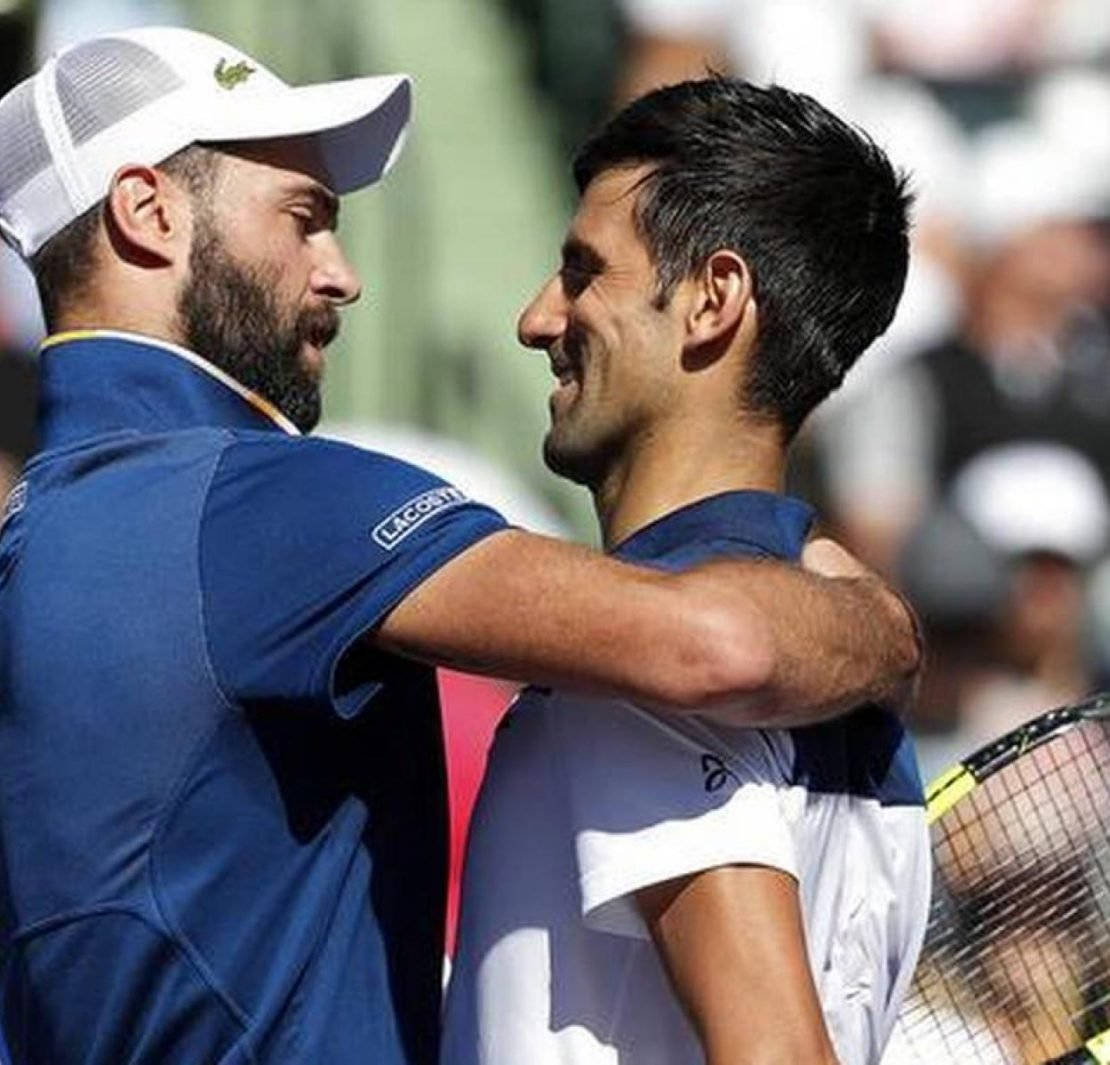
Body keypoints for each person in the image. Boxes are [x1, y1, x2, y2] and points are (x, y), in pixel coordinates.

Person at [0, 29, 920, 1065]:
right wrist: (883, 624)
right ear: (147, 212)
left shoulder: (40, 537)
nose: (340, 275)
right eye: (303, 222)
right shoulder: (256, 504)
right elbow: (711, 647)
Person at [442, 77, 931, 1065]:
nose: (537, 320)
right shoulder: (840, 648)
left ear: (714, 299)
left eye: (583, 273)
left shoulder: (644, 659)